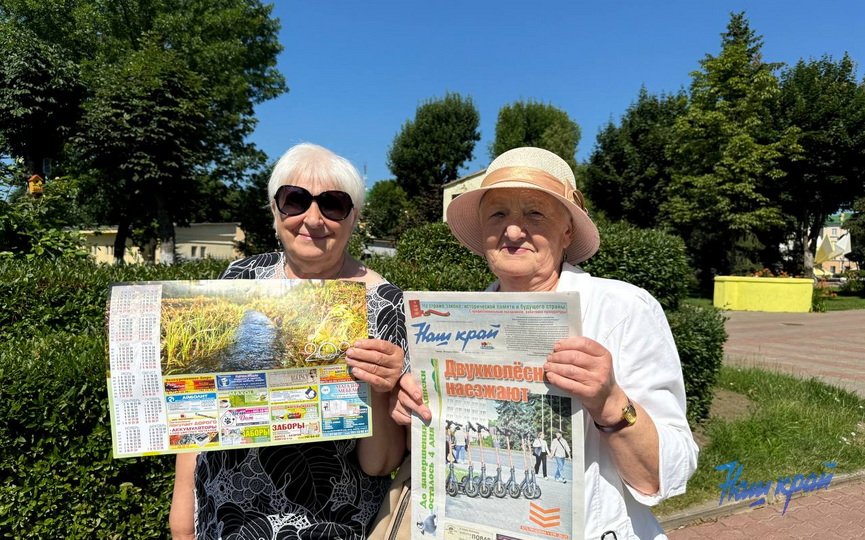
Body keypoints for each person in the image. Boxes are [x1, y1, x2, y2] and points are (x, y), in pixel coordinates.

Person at [391, 147, 699, 539]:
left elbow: (666, 474)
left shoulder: (622, 309)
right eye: (498, 214)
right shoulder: (452, 327)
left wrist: (609, 402)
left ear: (567, 229)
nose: (514, 231)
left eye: (534, 213)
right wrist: (416, 411)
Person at [169, 143, 408, 540]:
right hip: (224, 518)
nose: (312, 219)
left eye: (332, 204)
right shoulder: (241, 277)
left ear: (354, 218)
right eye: (295, 200)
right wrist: (183, 514)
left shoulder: (384, 302)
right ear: (275, 211)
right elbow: (196, 410)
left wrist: (381, 391)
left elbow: (380, 464)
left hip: (333, 525)